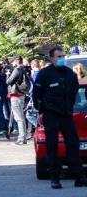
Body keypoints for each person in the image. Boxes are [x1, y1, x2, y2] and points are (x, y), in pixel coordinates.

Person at [33, 46, 87, 189]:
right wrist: (42, 109)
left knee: (73, 144)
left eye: (63, 56)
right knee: (52, 146)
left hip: (66, 114)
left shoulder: (70, 73)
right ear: (51, 58)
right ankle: (55, 177)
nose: (61, 58)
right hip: (51, 114)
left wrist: (69, 106)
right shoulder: (44, 74)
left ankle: (79, 176)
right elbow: (36, 94)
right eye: (58, 56)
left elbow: (74, 90)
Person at [5, 56, 33, 145]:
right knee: (20, 117)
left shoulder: (17, 70)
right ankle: (22, 137)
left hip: (16, 95)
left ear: (16, 61)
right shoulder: (25, 69)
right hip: (21, 94)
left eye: (12, 62)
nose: (12, 63)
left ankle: (21, 138)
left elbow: (8, 82)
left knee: (19, 118)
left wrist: (8, 74)